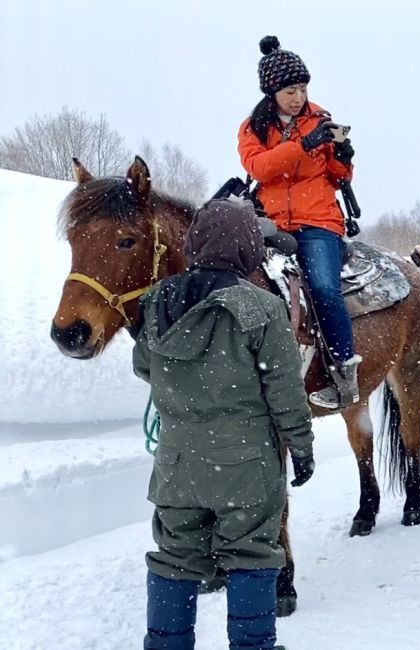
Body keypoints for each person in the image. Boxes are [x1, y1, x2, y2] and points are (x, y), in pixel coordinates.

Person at [133, 199, 315, 650]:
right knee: (251, 554)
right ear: (249, 249)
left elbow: (144, 366)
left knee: (174, 557)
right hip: (246, 466)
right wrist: (301, 446)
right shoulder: (263, 308)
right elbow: (285, 391)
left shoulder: (157, 301)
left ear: (194, 243)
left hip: (177, 465)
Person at [237, 35, 360, 410]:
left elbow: (339, 177)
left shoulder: (324, 120)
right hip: (269, 223)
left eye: (303, 88)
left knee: (323, 287)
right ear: (271, 91)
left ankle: (344, 374)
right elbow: (259, 167)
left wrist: (344, 157)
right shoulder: (253, 128)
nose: (298, 97)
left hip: (318, 222)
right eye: (290, 90)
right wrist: (303, 146)